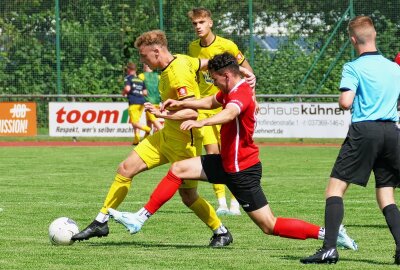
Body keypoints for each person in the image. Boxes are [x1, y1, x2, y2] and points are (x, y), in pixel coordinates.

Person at [108, 52, 358, 251]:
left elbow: (230, 113)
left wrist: (202, 122)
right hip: (227, 162)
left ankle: (331, 234)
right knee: (178, 168)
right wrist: (181, 103)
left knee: (269, 226)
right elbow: (209, 102)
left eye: (214, 78)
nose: (212, 82)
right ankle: (139, 218)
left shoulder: (242, 93)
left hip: (242, 170)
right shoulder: (228, 90)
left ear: (226, 75)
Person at [72, 30, 234, 248]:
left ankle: (221, 231)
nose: (142, 60)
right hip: (165, 136)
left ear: (157, 51)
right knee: (125, 169)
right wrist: (239, 68)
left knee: (188, 197)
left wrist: (161, 114)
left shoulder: (178, 73)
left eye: (144, 55)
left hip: (184, 142)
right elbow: (205, 62)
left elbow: (192, 112)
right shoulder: (183, 60)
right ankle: (101, 221)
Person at [301, 16, 400, 264]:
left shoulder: (353, 67)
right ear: (375, 35)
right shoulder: (395, 68)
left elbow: (346, 101)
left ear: (353, 39)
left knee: (335, 189)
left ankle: (329, 249)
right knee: (386, 194)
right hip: (392, 132)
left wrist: (350, 101)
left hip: (365, 131)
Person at [187, 7, 255, 216]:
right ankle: (221, 203)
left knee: (229, 154)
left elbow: (247, 72)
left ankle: (235, 203)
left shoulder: (227, 45)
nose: (198, 27)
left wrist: (253, 98)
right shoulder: (192, 48)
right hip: (207, 108)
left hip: (228, 106)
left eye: (201, 22)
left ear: (210, 22)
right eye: (195, 24)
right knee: (212, 154)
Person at [122, 62, 152, 145]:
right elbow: (145, 92)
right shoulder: (140, 79)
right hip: (141, 102)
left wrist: (123, 92)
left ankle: (148, 129)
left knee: (134, 122)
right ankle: (136, 140)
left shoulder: (128, 78)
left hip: (133, 102)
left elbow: (127, 89)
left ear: (129, 69)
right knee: (136, 121)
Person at [138, 63, 163, 134]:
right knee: (149, 123)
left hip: (148, 103)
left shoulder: (141, 76)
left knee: (154, 121)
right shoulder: (158, 76)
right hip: (157, 101)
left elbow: (138, 88)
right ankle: (146, 141)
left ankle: (164, 135)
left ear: (145, 66)